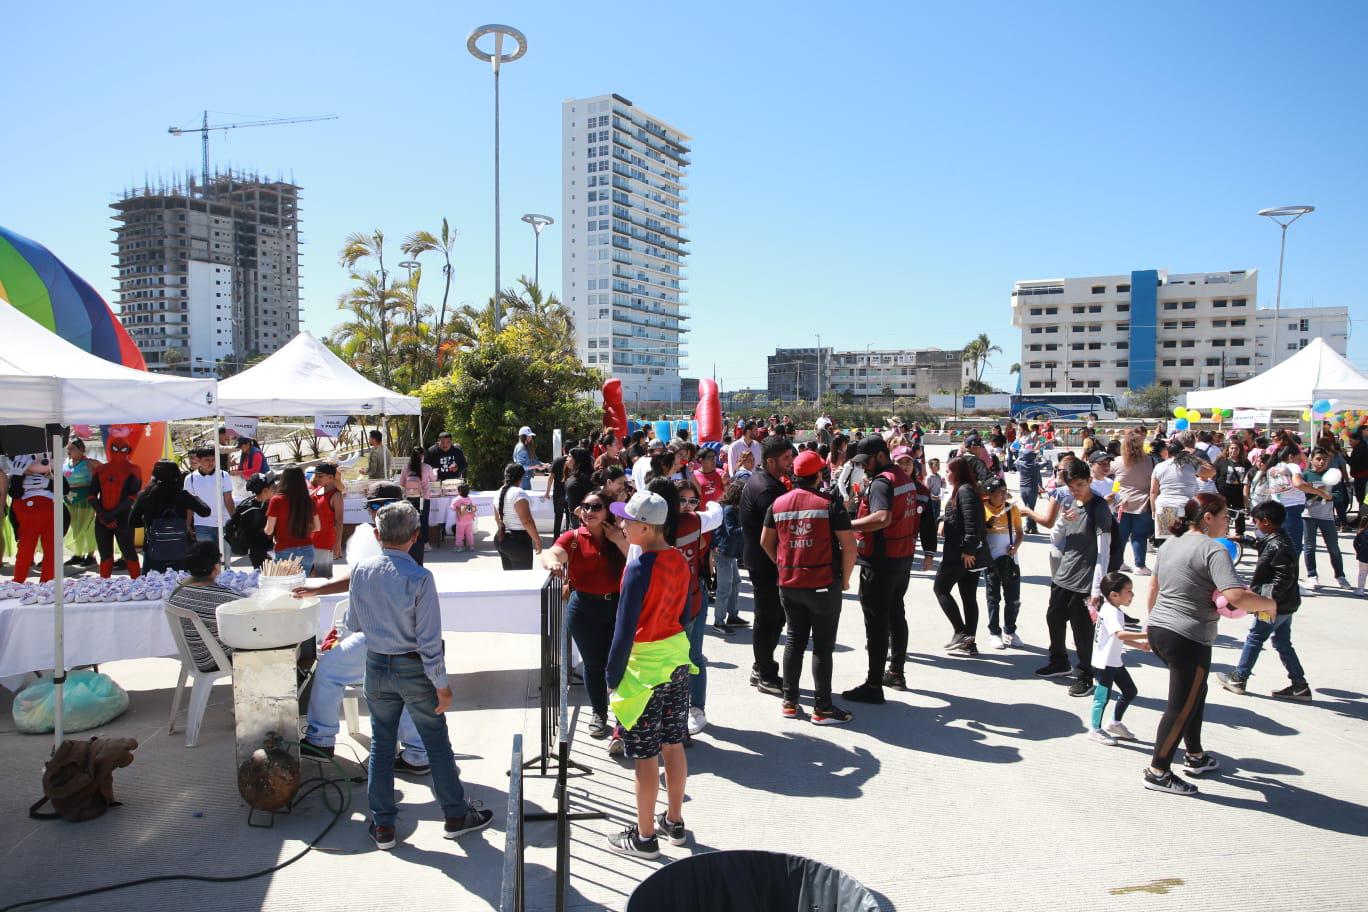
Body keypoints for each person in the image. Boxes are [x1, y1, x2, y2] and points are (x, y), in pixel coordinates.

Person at [348, 501, 493, 849]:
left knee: (382, 743)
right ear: (415, 537)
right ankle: (456, 814)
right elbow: (429, 641)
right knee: (435, 742)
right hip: (412, 666)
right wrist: (442, 684)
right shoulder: (419, 577)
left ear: (377, 534)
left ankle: (383, 824)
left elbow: (353, 624)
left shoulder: (360, 571)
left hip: (376, 662)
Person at [1143, 493, 1275, 795]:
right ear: (1207, 518)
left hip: (1161, 629)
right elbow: (1235, 595)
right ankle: (1158, 770)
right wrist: (1269, 604)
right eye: (1225, 515)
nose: (1228, 521)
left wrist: (1152, 622)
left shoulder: (1170, 543)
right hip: (1188, 637)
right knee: (1180, 705)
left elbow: (1154, 585)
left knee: (1194, 693)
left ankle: (1195, 755)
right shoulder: (1214, 550)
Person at [297, 482, 430, 773]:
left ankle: (320, 739)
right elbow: (358, 576)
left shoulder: (386, 538)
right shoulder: (405, 534)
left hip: (380, 636)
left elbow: (361, 580)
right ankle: (418, 754)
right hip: (404, 639)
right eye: (373, 506)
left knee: (330, 668)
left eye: (382, 507)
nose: (377, 512)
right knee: (406, 688)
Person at [605, 491, 695, 859]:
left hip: (643, 669)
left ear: (645, 527)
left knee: (644, 755)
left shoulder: (638, 568)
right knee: (673, 744)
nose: (622, 525)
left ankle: (644, 837)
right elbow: (686, 610)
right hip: (675, 659)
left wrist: (611, 675)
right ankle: (674, 821)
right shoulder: (679, 559)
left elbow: (624, 629)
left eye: (627, 520)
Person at [761, 450, 856, 725]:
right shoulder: (829, 504)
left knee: (794, 641)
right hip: (823, 585)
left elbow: (765, 543)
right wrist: (846, 578)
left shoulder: (778, 504)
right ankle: (822, 708)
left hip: (789, 585)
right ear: (818, 475)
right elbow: (849, 547)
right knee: (823, 648)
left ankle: (789, 702)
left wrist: (783, 565)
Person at [543, 488, 629, 740]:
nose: (589, 511)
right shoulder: (573, 537)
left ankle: (623, 719)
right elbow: (550, 553)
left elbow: (638, 560)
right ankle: (599, 714)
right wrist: (554, 563)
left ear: (608, 511)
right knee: (593, 665)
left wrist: (619, 541)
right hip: (584, 609)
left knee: (621, 664)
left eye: (596, 507)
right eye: (585, 506)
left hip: (618, 607)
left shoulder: (622, 536)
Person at [843, 435, 919, 701]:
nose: (864, 468)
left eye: (866, 462)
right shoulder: (904, 478)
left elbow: (883, 517)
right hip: (902, 558)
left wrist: (847, 525)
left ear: (880, 455)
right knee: (896, 613)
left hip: (881, 561)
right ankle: (896, 672)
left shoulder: (882, 482)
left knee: (876, 623)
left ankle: (873, 685)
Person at [1032, 457, 1112, 697]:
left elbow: (1104, 550)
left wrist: (1097, 588)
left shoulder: (1099, 507)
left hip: (1086, 580)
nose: (1075, 489)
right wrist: (1062, 523)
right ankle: (1059, 661)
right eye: (1071, 486)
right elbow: (1056, 538)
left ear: (1089, 480)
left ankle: (1086, 674)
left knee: (1082, 630)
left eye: (1079, 484)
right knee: (1053, 618)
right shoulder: (1073, 503)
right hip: (1064, 574)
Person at [1218, 500, 1311, 700]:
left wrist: (1264, 602)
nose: (1256, 524)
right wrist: (1242, 539)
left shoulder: (1278, 545)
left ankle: (1239, 677)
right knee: (1282, 642)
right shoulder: (1276, 539)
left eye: (1256, 521)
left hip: (1275, 605)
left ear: (1266, 522)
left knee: (1255, 637)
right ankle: (1299, 685)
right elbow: (1262, 544)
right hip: (1285, 605)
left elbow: (1283, 579)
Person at [739, 436, 795, 696]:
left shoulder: (768, 481)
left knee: (775, 618)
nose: (791, 462)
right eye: (786, 459)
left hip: (766, 562)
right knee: (768, 618)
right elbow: (778, 532)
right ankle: (765, 673)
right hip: (766, 564)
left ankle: (761, 665)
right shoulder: (766, 489)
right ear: (770, 461)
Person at [669, 476, 724, 734]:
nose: (688, 505)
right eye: (682, 500)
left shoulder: (697, 522)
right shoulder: (663, 524)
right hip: (666, 600)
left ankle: (696, 708)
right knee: (669, 658)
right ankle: (672, 712)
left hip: (693, 595)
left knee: (693, 656)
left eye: (693, 500)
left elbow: (712, 519)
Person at [1088, 572, 1149, 746]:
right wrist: (1146, 634)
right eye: (1128, 591)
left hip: (1114, 661)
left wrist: (1140, 645)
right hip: (1104, 663)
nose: (1132, 594)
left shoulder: (1113, 610)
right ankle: (1094, 730)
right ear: (1114, 595)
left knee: (1130, 691)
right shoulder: (1111, 612)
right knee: (1102, 698)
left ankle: (1114, 724)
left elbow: (1117, 637)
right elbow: (1120, 634)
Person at [934, 457, 986, 659]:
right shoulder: (962, 490)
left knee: (940, 588)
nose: (945, 474)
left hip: (961, 553)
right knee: (968, 596)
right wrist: (941, 521)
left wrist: (968, 550)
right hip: (966, 552)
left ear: (958, 472)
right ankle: (969, 642)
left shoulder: (965, 491)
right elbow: (952, 514)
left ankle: (961, 631)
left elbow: (972, 524)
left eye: (948, 471)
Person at [166, 541, 240, 673]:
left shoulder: (177, 591)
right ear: (216, 567)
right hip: (213, 659)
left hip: (193, 656)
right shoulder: (225, 598)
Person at [131, 460, 211, 574]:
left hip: (154, 547)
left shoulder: (146, 495)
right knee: (180, 583)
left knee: (151, 585)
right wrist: (194, 498)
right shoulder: (182, 495)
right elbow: (205, 511)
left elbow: (133, 520)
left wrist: (139, 543)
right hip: (180, 548)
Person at [89, 436, 142, 579]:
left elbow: (132, 497)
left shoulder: (134, 470)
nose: (118, 452)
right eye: (115, 448)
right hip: (103, 517)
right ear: (109, 449)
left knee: (129, 552)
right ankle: (104, 584)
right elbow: (92, 495)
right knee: (105, 555)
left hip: (122, 518)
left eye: (122, 449)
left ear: (128, 451)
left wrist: (107, 515)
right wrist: (103, 515)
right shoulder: (100, 469)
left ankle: (137, 583)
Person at [1150, 433, 1213, 548]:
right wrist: (1196, 459)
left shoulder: (1159, 467)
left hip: (1164, 505)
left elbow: (1153, 492)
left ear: (1167, 452)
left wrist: (1153, 510)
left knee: (1166, 542)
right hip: (1185, 505)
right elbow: (1211, 472)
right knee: (1186, 542)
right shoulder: (1191, 464)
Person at [982, 478, 1022, 650]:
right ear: (990, 494)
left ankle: (1010, 631)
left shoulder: (1012, 509)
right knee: (993, 598)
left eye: (1005, 492)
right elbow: (977, 530)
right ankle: (994, 632)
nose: (1003, 496)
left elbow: (1020, 532)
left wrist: (1016, 546)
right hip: (991, 562)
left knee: (1013, 599)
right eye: (1000, 493)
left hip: (1010, 561)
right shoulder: (982, 508)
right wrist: (988, 523)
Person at [1300, 447, 1348, 589]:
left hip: (1327, 516)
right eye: (1318, 459)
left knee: (1333, 547)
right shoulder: (1305, 475)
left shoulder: (1333, 475)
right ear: (1311, 459)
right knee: (1309, 546)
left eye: (1324, 459)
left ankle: (1340, 576)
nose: (1321, 462)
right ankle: (1312, 576)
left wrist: (1330, 496)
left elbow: (1341, 495)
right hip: (1308, 515)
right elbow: (1299, 494)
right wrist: (1312, 493)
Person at [1112, 428, 1155, 575]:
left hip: (1122, 504)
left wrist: (1116, 490)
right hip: (1143, 503)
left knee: (1120, 537)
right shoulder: (1150, 461)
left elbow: (1112, 479)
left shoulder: (1118, 462)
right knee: (1139, 536)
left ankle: (1118, 562)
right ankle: (1140, 565)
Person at [265, 466, 319, 574]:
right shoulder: (309, 500)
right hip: (307, 549)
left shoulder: (276, 500)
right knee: (303, 587)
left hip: (285, 549)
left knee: (286, 587)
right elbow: (317, 527)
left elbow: (269, 530)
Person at [709, 480, 747, 632]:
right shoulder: (729, 510)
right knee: (724, 588)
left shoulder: (735, 508)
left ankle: (732, 616)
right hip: (723, 552)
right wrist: (748, 526)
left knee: (736, 583)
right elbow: (732, 532)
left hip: (730, 552)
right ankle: (719, 622)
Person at [184, 446, 234, 547]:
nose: (211, 463)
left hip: (224, 523)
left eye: (213, 459)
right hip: (202, 525)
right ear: (198, 460)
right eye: (207, 460)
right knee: (206, 559)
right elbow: (189, 505)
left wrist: (235, 520)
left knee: (225, 559)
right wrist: (188, 525)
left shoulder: (224, 475)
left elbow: (228, 499)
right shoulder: (190, 479)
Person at [495, 463, 541, 570]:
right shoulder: (519, 493)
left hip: (501, 539)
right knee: (523, 580)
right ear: (521, 477)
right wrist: (537, 539)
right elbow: (526, 521)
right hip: (518, 541)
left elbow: (497, 519)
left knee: (510, 580)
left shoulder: (498, 492)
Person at [62, 439, 98, 567]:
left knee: (87, 527)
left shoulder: (89, 463)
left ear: (81, 450)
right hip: (69, 499)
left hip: (85, 499)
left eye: (72, 448)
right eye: (68, 448)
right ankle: (78, 554)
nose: (69, 451)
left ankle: (91, 555)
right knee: (75, 527)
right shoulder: (66, 462)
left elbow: (107, 472)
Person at [310, 463, 344, 579]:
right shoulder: (317, 489)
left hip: (324, 541)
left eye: (320, 476)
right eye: (316, 475)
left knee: (323, 577)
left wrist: (338, 544)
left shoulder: (336, 495)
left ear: (330, 477)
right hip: (310, 540)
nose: (317, 478)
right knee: (311, 576)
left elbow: (339, 522)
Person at [400, 446, 436, 549]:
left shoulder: (406, 467)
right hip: (423, 498)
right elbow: (433, 479)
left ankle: (410, 543)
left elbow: (402, 484)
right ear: (422, 456)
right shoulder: (427, 467)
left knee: (410, 520)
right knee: (423, 520)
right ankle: (425, 544)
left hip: (410, 498)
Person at [1214, 440, 1251, 539]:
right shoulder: (1221, 460)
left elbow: (1249, 477)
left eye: (1237, 448)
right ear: (1228, 449)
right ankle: (1224, 534)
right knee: (1223, 514)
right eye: (1232, 448)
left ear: (1240, 450)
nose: (1234, 450)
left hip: (1238, 493)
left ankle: (1240, 536)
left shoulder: (1246, 463)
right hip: (1223, 492)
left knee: (1240, 515)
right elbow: (1215, 476)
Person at [563, 448, 595, 531]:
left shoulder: (583, 479)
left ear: (577, 460)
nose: (567, 458)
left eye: (569, 456)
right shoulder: (578, 475)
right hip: (576, 520)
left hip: (582, 522)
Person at [921, 457, 944, 571]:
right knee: (932, 517)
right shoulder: (929, 477)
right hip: (932, 499)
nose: (938, 468)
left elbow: (941, 488)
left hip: (938, 499)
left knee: (937, 516)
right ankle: (932, 534)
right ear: (930, 467)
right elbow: (926, 489)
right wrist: (932, 496)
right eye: (935, 465)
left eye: (939, 465)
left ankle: (934, 532)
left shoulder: (939, 477)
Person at [544, 450, 570, 537]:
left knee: (558, 517)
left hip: (558, 492)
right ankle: (569, 539)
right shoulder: (574, 461)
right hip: (570, 493)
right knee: (570, 517)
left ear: (563, 449)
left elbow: (551, 477)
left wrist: (547, 492)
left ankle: (556, 539)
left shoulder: (557, 460)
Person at [513, 426, 547, 491]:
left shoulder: (526, 446)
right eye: (529, 436)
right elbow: (521, 466)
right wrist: (535, 467)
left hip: (526, 478)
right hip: (522, 479)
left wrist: (544, 464)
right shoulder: (521, 448)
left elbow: (533, 460)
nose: (531, 438)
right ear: (523, 437)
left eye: (531, 436)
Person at [448, 483, 477, 551]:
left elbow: (452, 507)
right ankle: (471, 546)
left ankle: (459, 547)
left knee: (459, 534)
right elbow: (473, 508)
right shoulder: (469, 498)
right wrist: (466, 508)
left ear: (459, 491)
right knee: (469, 533)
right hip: (469, 519)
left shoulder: (458, 499)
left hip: (460, 520)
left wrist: (457, 509)